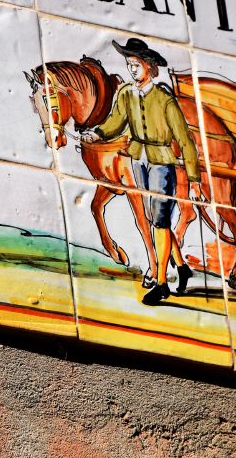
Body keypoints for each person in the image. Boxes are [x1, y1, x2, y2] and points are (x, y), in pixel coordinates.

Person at [80, 38, 201, 305]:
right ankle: (181, 267)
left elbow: (184, 141)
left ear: (149, 67)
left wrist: (194, 180)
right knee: (154, 216)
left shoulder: (164, 99)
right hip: (138, 160)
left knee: (159, 220)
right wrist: (96, 134)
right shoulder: (126, 94)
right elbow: (115, 122)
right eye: (129, 65)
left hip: (161, 162)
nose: (132, 69)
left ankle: (161, 283)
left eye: (136, 65)